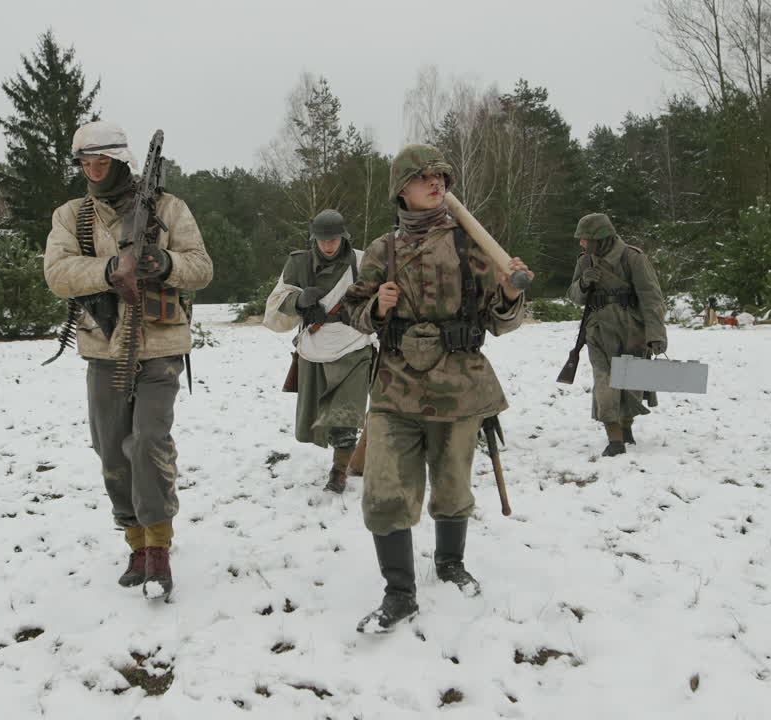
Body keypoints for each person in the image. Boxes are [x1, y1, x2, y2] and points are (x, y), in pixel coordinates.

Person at [340, 144, 530, 633]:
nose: (437, 183)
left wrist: (510, 294)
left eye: (442, 176)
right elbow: (353, 315)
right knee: (383, 490)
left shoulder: (471, 244)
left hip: (459, 386)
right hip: (394, 387)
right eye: (425, 177)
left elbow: (501, 321)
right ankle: (399, 592)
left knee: (451, 484)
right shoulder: (382, 249)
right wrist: (377, 309)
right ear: (400, 188)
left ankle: (450, 562)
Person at [43, 121, 212, 600]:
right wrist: (108, 270)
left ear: (121, 162)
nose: (93, 172)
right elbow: (57, 274)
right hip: (104, 346)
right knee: (111, 448)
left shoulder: (168, 208)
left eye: (102, 163)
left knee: (148, 442)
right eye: (85, 164)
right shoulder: (72, 216)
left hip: (159, 346)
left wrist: (165, 264)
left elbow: (202, 267)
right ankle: (134, 540)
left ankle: (158, 546)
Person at [263, 209, 375, 493]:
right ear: (315, 238)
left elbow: (379, 299)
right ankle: (342, 463)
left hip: (353, 343)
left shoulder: (362, 261)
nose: (328, 245)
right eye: (323, 239)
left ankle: (339, 471)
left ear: (343, 236)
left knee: (346, 414)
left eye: (334, 239)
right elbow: (276, 302)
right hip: (315, 346)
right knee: (320, 415)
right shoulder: (298, 263)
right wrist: (299, 301)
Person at [566, 213, 667, 457]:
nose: (582, 243)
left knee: (630, 382)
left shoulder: (632, 257)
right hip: (598, 331)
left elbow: (651, 297)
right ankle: (615, 439)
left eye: (586, 239)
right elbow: (574, 296)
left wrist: (655, 334)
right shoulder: (585, 262)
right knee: (604, 381)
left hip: (631, 329)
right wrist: (583, 283)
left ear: (601, 238)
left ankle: (626, 427)